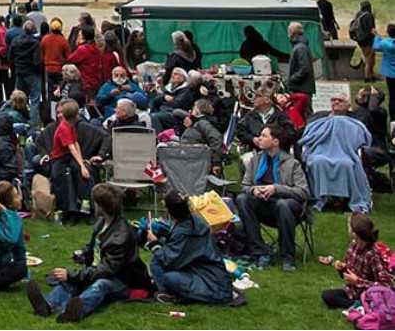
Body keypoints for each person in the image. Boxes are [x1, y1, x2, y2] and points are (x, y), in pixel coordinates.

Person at [27, 183, 153, 323]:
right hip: (101, 270)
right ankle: (46, 305)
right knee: (70, 281)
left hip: (123, 280)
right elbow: (95, 246)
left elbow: (107, 270)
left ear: (101, 206)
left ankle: (73, 310)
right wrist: (83, 255)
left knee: (100, 285)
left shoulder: (121, 236)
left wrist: (72, 273)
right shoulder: (102, 222)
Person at [236, 124, 311, 271]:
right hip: (263, 204)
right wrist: (254, 190)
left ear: (275, 141)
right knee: (242, 199)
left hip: (289, 208)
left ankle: (288, 257)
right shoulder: (255, 160)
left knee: (282, 204)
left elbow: (303, 192)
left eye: (264, 136)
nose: (259, 139)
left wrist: (276, 189)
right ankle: (259, 251)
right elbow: (244, 186)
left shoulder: (292, 163)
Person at [146, 190, 240, 305]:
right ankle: (171, 293)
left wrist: (154, 244)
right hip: (213, 277)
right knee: (161, 266)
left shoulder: (183, 232)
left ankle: (171, 295)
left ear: (170, 211)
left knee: (165, 273)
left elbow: (170, 261)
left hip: (211, 284)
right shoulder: (196, 220)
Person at [322, 213, 394, 309]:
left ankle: (362, 305)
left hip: (370, 294)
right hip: (352, 291)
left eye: (348, 226)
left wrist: (358, 281)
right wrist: (342, 268)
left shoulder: (373, 254)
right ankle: (359, 305)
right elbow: (349, 273)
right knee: (327, 295)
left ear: (354, 234)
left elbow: (386, 285)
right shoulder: (353, 246)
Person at [48, 100, 92, 226]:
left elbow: (75, 142)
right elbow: (71, 147)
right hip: (59, 158)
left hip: (67, 155)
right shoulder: (64, 128)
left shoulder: (70, 125)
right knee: (59, 179)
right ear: (76, 115)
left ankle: (85, 203)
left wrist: (81, 161)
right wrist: (82, 166)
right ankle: (61, 210)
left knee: (81, 172)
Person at [354, 1, 377, 82]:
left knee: (370, 57)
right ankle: (367, 77)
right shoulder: (369, 16)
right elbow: (372, 29)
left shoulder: (358, 14)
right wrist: (379, 38)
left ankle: (371, 75)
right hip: (368, 40)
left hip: (360, 40)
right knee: (369, 59)